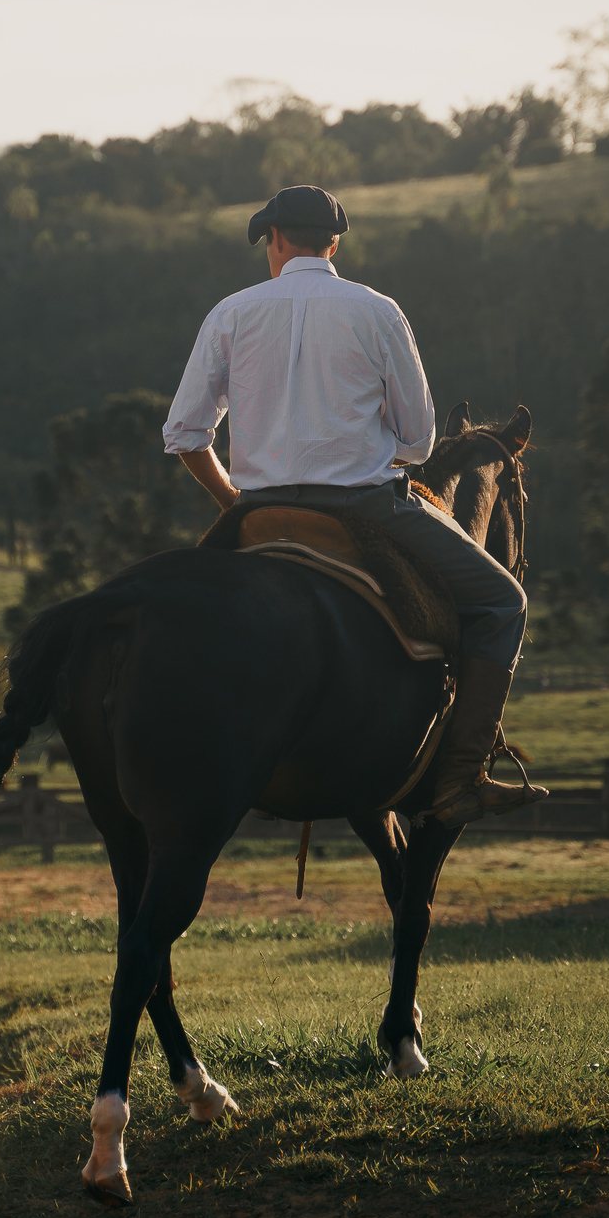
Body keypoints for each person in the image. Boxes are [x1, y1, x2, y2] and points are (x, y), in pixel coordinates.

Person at [162, 183, 546, 828]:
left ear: (276, 241)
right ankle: (462, 777)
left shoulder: (230, 313)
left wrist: (235, 503)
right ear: (334, 244)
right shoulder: (377, 311)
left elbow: (184, 435)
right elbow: (420, 440)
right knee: (505, 601)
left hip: (256, 511)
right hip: (365, 508)